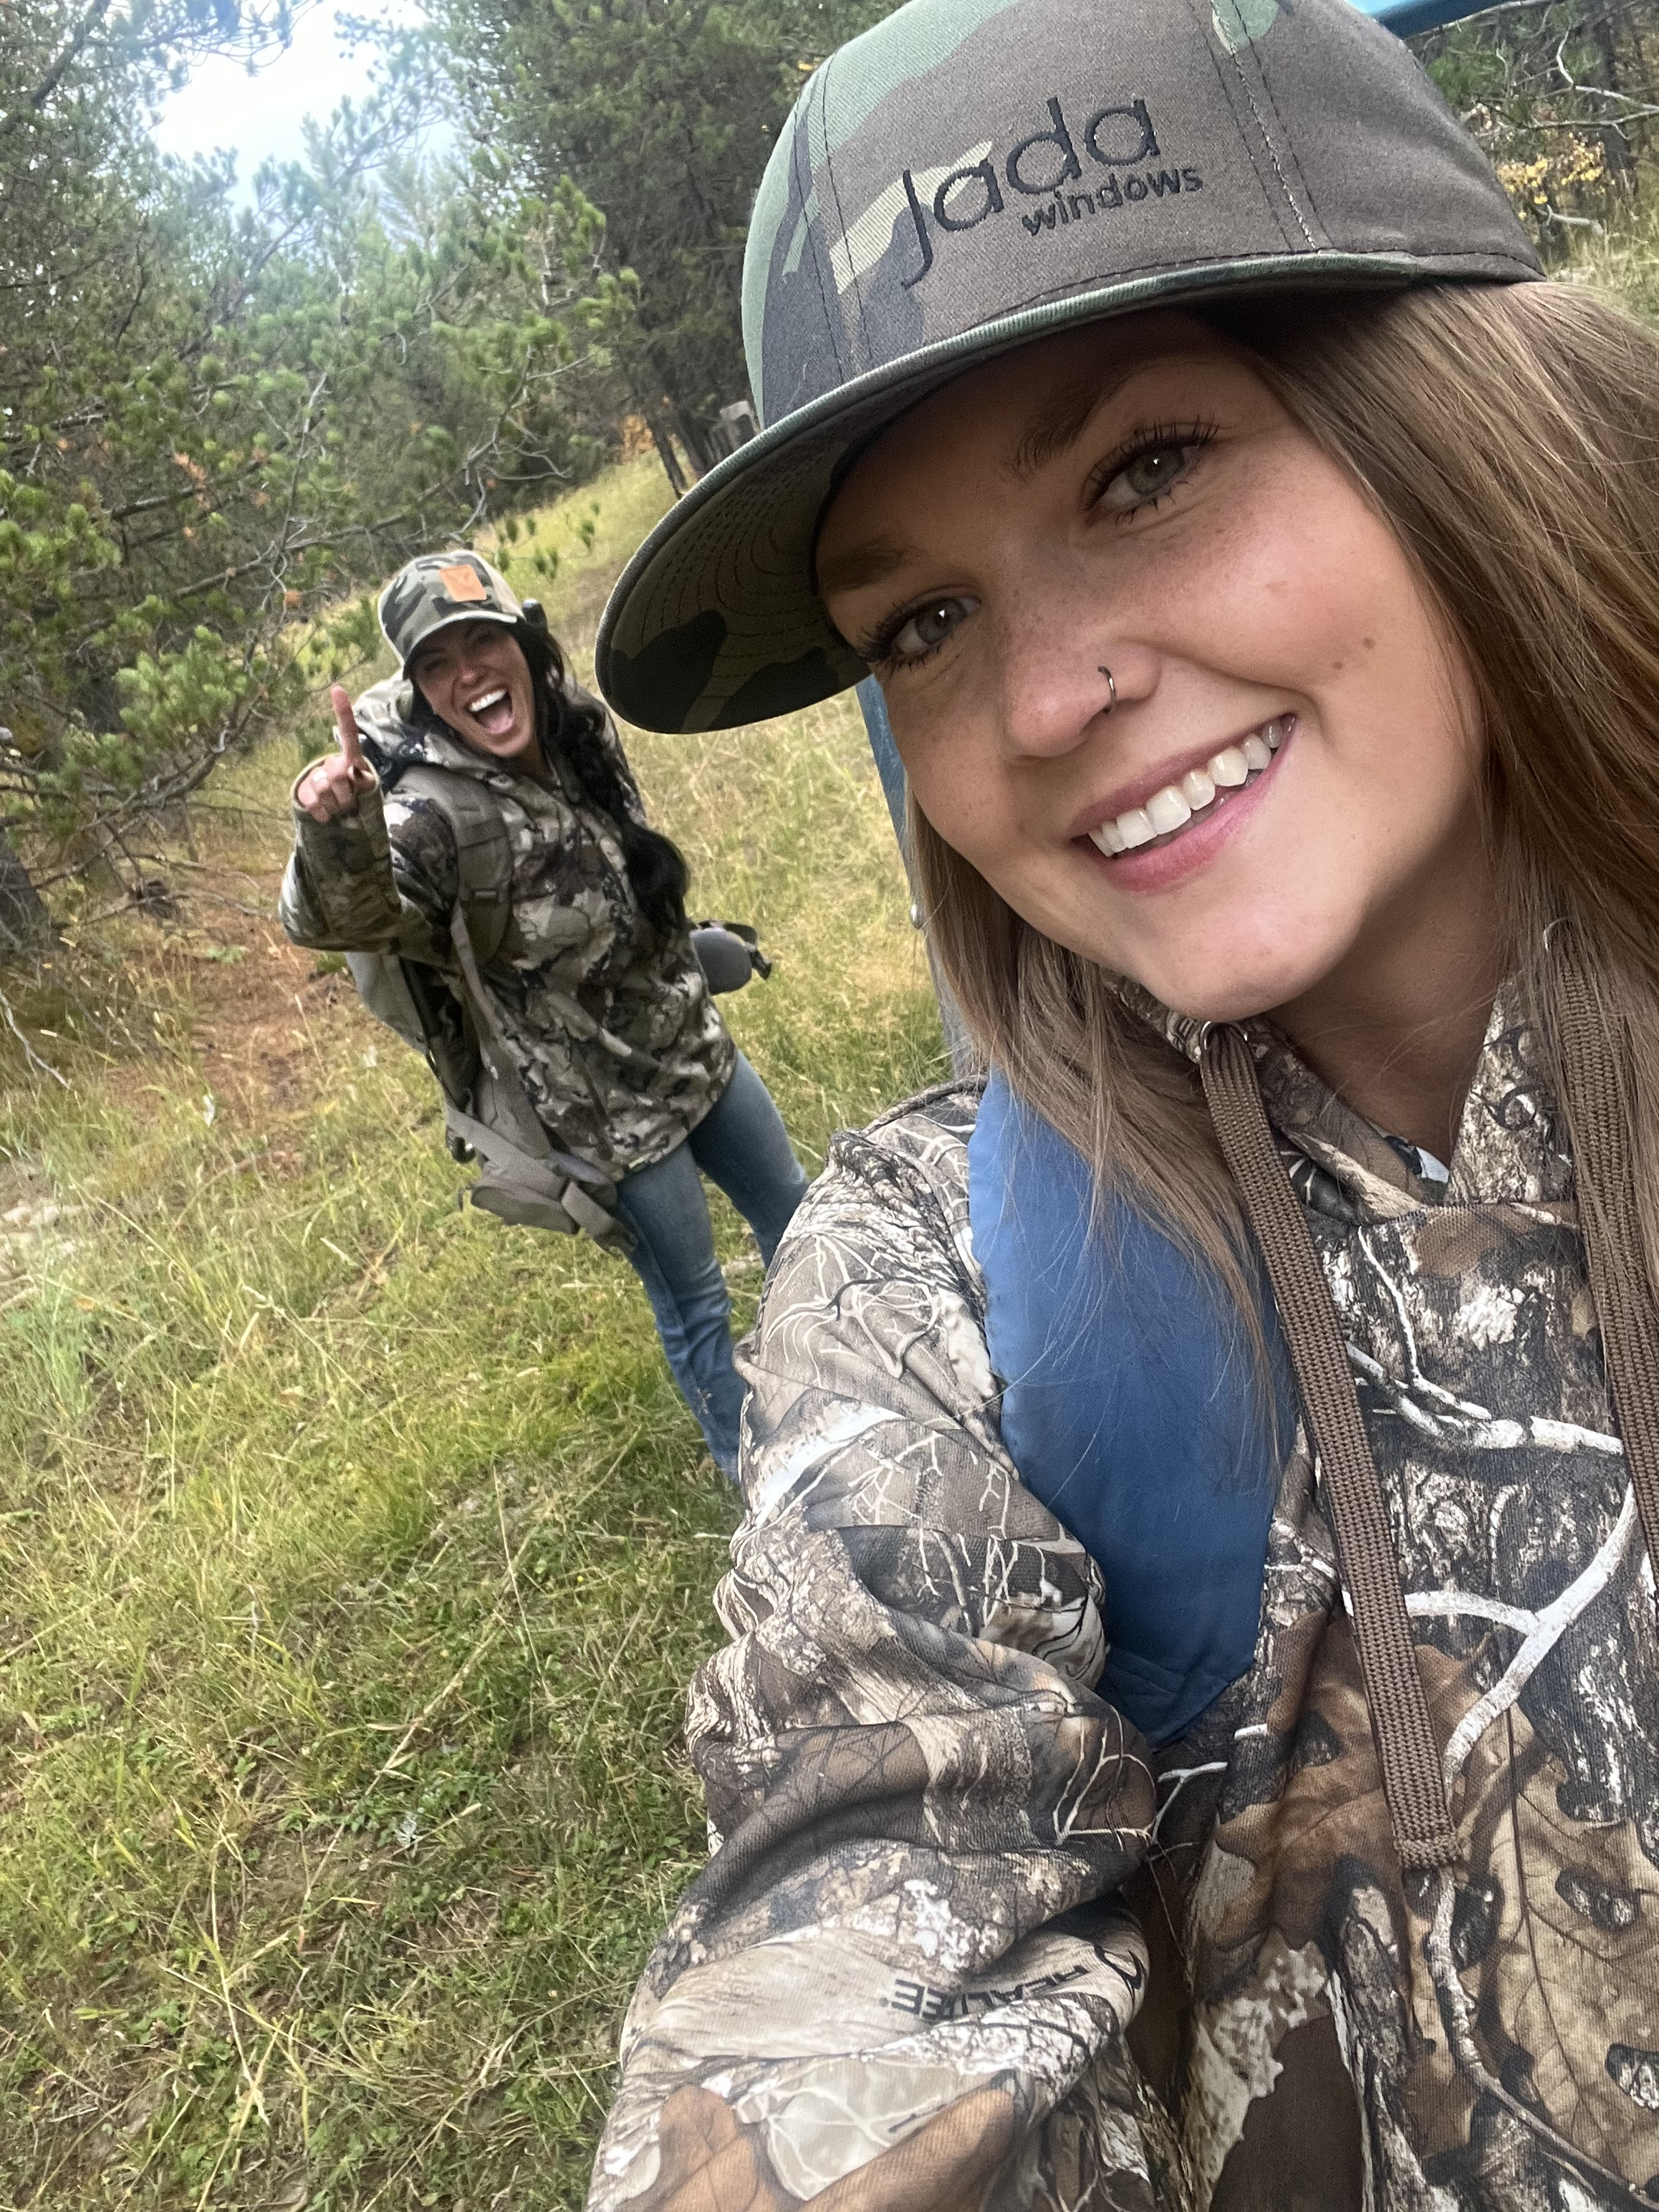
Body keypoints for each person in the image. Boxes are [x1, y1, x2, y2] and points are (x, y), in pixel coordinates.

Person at [578, 0, 1659, 2204]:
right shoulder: (953, 1299)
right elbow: (849, 1953)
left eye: (1145, 470)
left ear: (1460, 411)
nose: (1046, 701)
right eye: (921, 623)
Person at [279, 550, 808, 1478]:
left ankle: (838, 1375)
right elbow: (339, 921)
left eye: (482, 642)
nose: (468, 672)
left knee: (798, 1220)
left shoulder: (574, 732)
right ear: (422, 691)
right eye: (437, 663)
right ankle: (760, 1478)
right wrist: (335, 829)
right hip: (610, 1123)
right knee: (696, 1305)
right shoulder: (431, 818)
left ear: (522, 642)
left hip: (695, 1048)